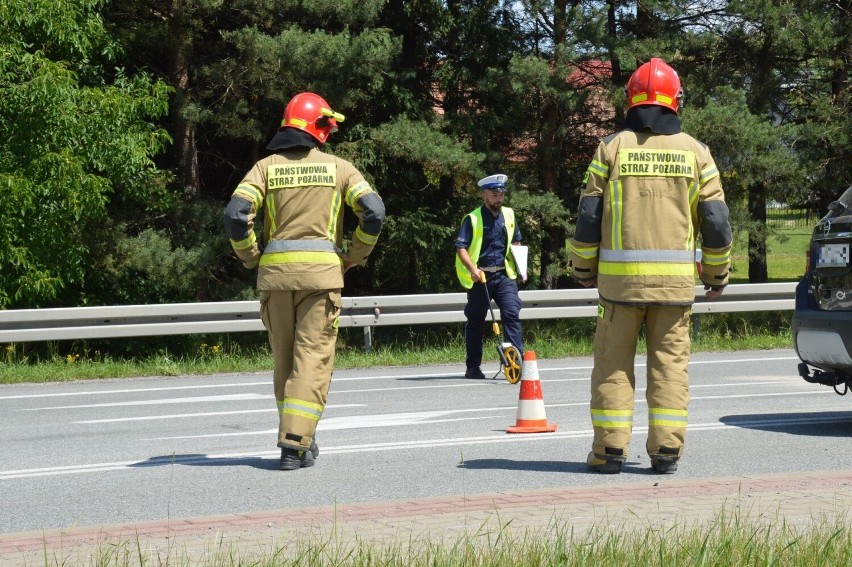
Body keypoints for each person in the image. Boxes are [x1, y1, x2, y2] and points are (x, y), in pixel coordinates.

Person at [569, 58, 732, 474]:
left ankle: (608, 453)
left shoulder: (610, 149)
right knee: (669, 370)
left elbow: (588, 216)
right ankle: (665, 453)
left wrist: (585, 270)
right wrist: (716, 276)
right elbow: (715, 222)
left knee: (612, 368)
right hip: (674, 292)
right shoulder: (697, 153)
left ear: (631, 101)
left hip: (619, 291)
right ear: (676, 101)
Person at [224, 92, 385, 471]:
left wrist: (251, 256)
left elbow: (235, 214)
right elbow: (374, 212)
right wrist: (355, 256)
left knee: (284, 360)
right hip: (321, 278)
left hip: (275, 280)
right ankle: (295, 443)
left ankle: (296, 435)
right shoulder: (339, 168)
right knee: (311, 359)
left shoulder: (264, 169)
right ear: (319, 128)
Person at [455, 174, 524, 379]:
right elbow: (461, 248)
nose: (499, 199)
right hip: (480, 277)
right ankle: (473, 367)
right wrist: (473, 270)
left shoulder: (509, 215)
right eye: (494, 195)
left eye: (501, 194)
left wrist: (520, 264)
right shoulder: (473, 218)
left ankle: (516, 363)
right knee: (476, 321)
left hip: (504, 275)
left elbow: (517, 241)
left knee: (512, 314)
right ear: (483, 195)